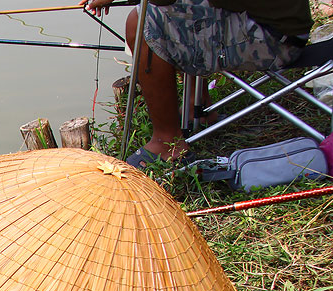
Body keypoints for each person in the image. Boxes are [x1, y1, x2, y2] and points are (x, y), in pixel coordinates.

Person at [84, 0, 313, 168]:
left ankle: (168, 144)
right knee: (178, 14)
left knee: (143, 22)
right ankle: (199, 107)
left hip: (274, 39)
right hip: (282, 24)